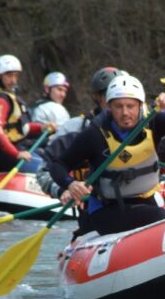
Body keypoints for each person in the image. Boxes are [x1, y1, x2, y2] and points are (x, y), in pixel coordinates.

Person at [48, 74, 165, 236]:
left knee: (156, 216)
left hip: (145, 201)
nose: (125, 112)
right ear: (109, 107)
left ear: (140, 106)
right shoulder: (94, 135)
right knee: (164, 220)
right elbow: (58, 165)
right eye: (118, 106)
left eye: (130, 106)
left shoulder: (153, 123)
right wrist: (70, 184)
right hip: (107, 210)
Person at [36, 66, 127, 240]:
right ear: (97, 97)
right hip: (94, 216)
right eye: (109, 95)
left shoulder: (143, 126)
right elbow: (44, 170)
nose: (116, 102)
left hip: (137, 206)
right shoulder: (75, 129)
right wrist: (64, 188)